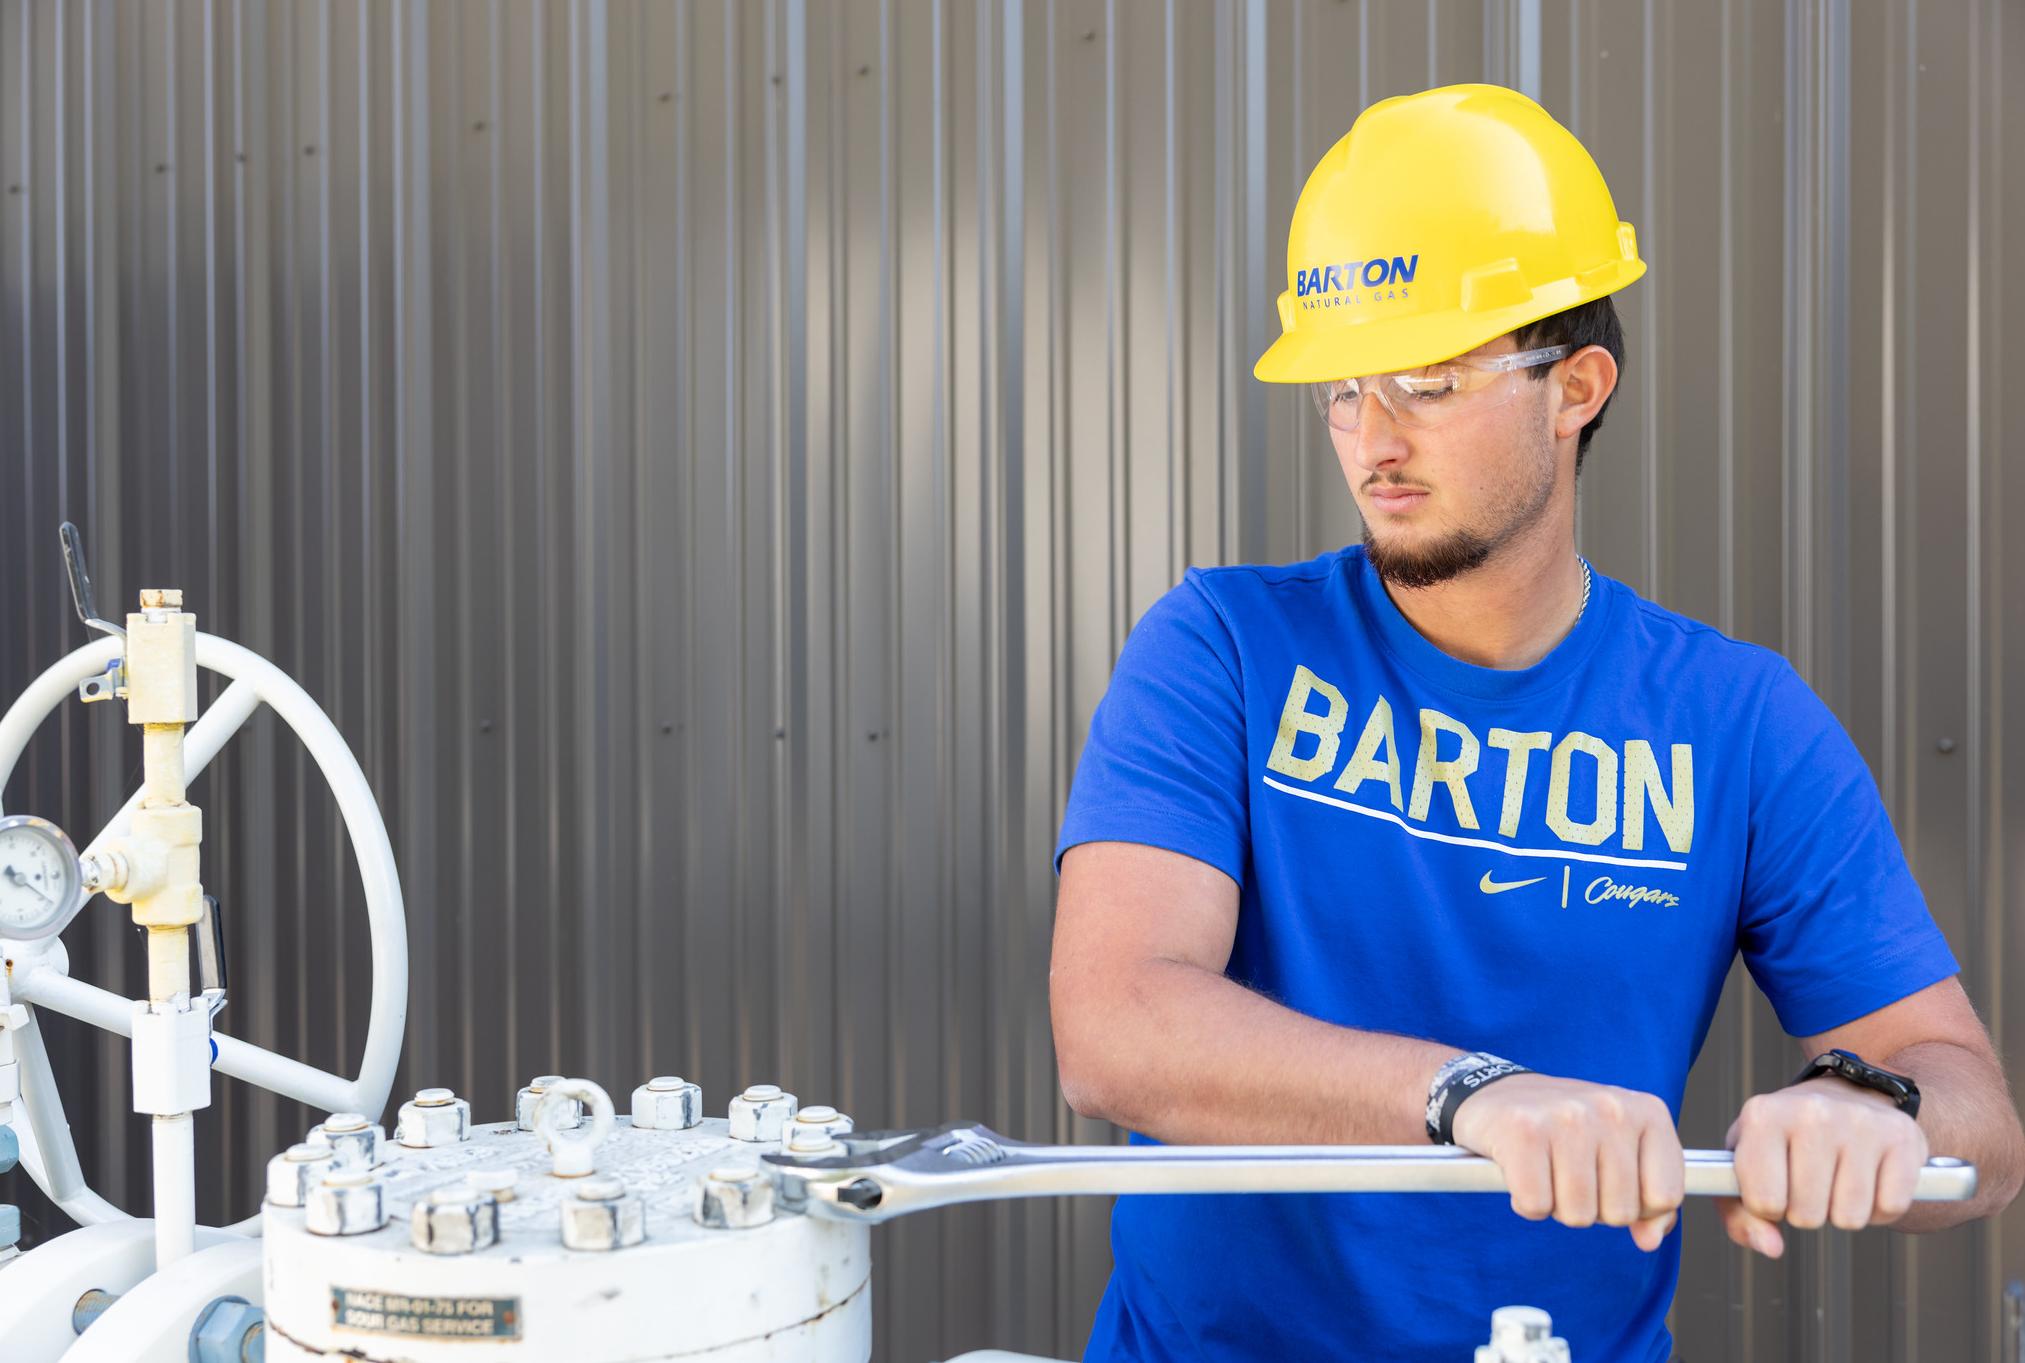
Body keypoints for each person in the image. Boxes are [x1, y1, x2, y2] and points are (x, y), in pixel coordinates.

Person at [1049, 83, 2024, 1362]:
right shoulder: (1224, 648)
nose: (1372, 439)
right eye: (1344, 388)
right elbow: (1115, 1024)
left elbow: (1975, 1113)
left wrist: (1872, 1101)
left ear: (1577, 386)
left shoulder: (1739, 725)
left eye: (1429, 380)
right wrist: (1473, 1096)